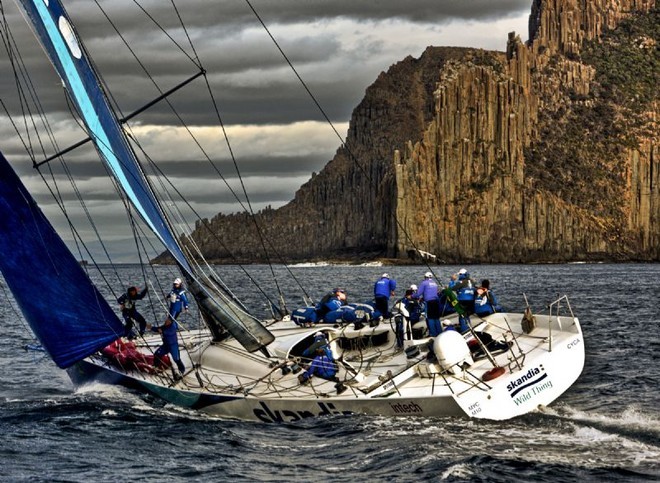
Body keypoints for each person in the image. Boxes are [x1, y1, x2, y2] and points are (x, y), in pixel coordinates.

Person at [414, 272, 441, 337]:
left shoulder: (424, 283)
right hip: (436, 301)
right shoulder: (434, 283)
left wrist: (412, 296)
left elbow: (418, 294)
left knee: (430, 318)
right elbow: (432, 292)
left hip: (429, 302)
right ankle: (439, 333)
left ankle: (433, 334)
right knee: (436, 318)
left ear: (425, 277)